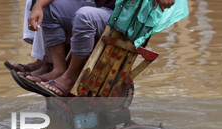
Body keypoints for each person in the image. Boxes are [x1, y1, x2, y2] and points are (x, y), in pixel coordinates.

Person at [26, 0, 176, 96]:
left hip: (123, 16)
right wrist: (38, 5)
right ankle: (58, 68)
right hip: (99, 5)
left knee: (85, 16)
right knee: (49, 9)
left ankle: (70, 76)